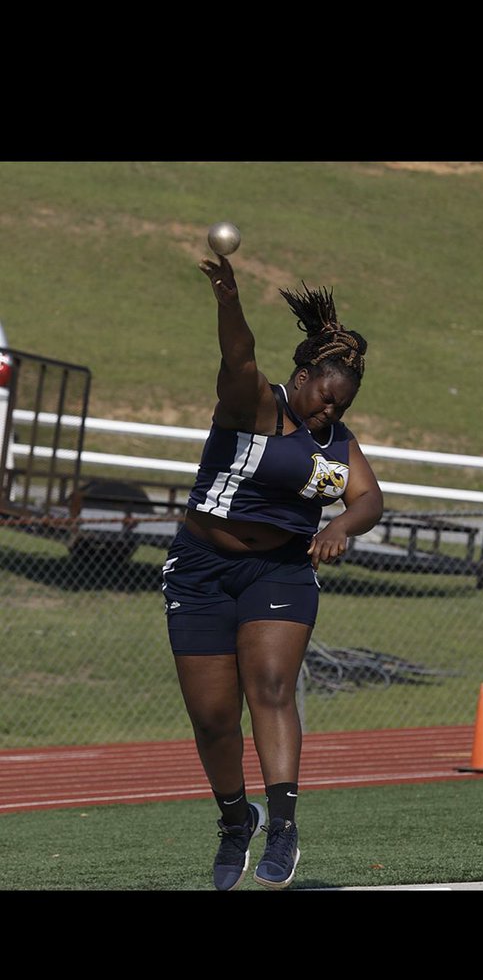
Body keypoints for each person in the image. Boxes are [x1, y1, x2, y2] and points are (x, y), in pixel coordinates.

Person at [162, 253, 383, 891]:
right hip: (201, 569)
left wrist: (341, 526)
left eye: (342, 405)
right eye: (324, 396)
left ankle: (283, 824)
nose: (328, 412)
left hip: (279, 572)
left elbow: (367, 499)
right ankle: (237, 821)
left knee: (271, 688)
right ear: (304, 373)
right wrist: (227, 297)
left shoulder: (337, 442)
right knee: (211, 716)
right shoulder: (254, 406)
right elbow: (238, 358)